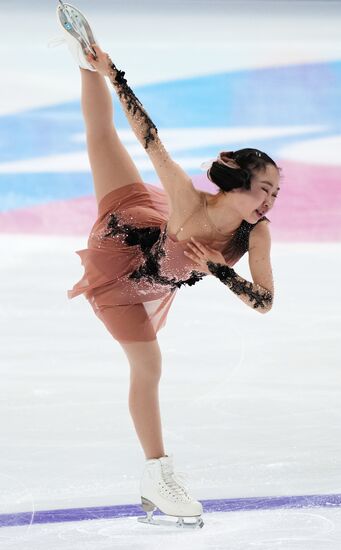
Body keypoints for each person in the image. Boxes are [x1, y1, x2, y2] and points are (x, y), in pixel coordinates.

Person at [57, 1, 281, 529]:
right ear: (238, 183)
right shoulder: (185, 197)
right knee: (104, 138)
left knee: (149, 367)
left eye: (275, 192)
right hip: (122, 253)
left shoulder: (257, 233)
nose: (271, 201)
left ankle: (155, 475)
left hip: (153, 277)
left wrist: (221, 270)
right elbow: (148, 136)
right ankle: (85, 58)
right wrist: (114, 74)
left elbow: (265, 303)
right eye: (265, 189)